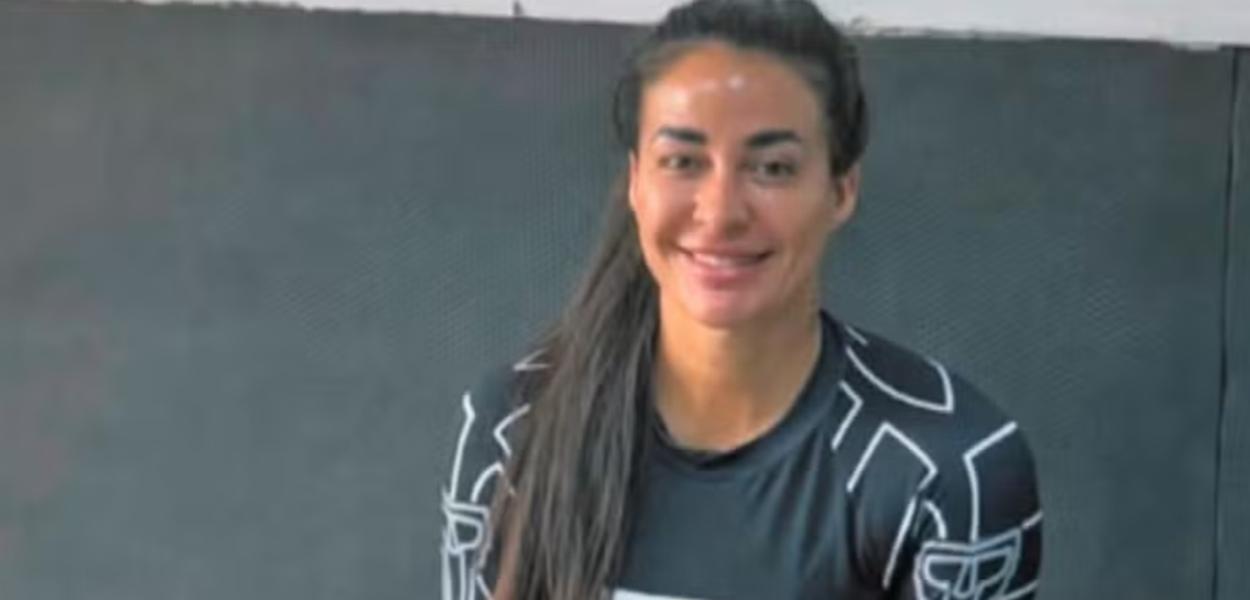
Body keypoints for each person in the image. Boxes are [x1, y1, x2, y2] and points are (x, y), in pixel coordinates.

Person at [440, 0, 1043, 598]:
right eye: (682, 161)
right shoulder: (513, 428)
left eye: (773, 168)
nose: (720, 212)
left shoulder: (947, 467)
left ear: (841, 189)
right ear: (636, 182)